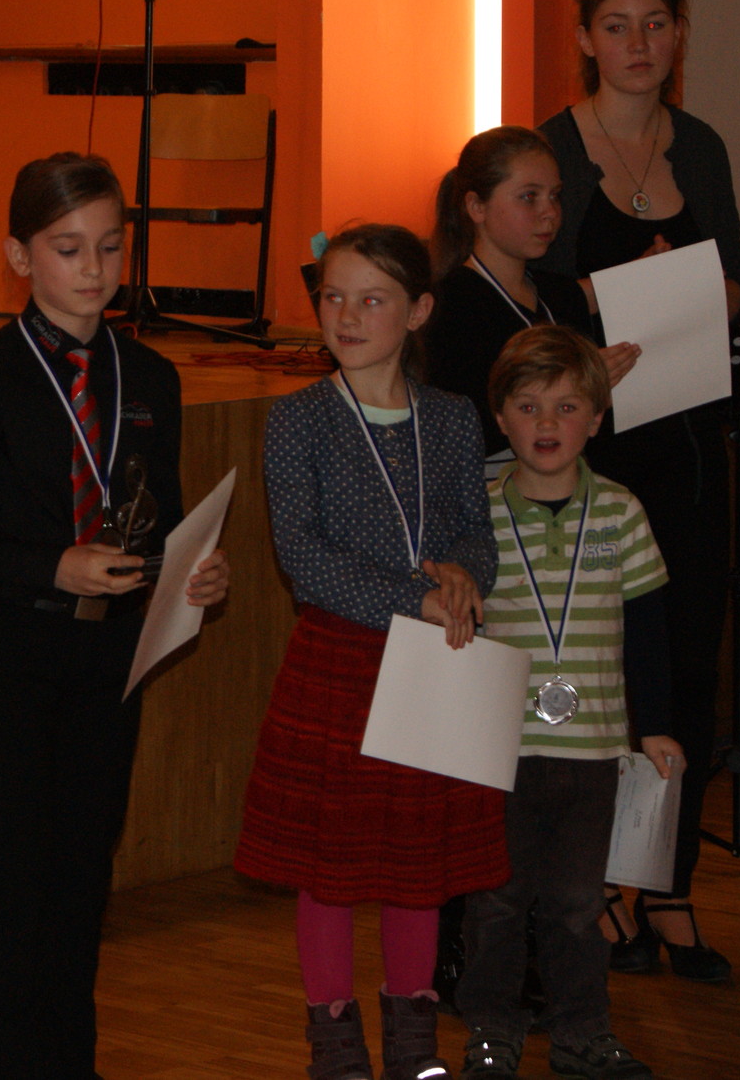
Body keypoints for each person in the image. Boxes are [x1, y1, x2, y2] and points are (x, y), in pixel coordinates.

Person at [0, 153, 229, 1079]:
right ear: (20, 255)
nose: (93, 268)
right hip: (9, 661)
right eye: (67, 248)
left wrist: (193, 571)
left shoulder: (152, 375)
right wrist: (52, 563)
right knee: (12, 885)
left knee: (82, 881)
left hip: (109, 663)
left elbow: (162, 516)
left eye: (109, 246)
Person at [234, 222, 503, 1080]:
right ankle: (336, 1046)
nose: (347, 316)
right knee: (331, 865)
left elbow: (476, 529)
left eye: (372, 299)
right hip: (341, 660)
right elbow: (302, 556)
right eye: (333, 298)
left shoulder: (451, 418)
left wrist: (463, 575)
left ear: (418, 311)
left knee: (417, 859)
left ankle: (415, 1045)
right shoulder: (298, 419)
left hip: (434, 661)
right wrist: (410, 597)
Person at [534, 0, 740, 981]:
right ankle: (598, 891)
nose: (637, 43)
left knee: (689, 668)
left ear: (678, 32)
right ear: (585, 38)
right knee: (604, 674)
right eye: (615, 25)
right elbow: (528, 300)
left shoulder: (698, 146)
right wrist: (610, 302)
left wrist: (694, 294)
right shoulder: (550, 148)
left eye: (655, 23)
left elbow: (738, 280)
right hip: (590, 451)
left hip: (688, 444)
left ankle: (667, 885)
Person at [458, 325, 681, 1080]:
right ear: (501, 418)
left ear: (597, 417)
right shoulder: (478, 516)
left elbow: (647, 627)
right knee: (495, 902)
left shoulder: (620, 510)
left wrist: (655, 726)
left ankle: (582, 1030)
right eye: (528, 407)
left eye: (566, 406)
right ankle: (491, 1028)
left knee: (580, 904)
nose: (547, 423)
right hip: (501, 751)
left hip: (593, 749)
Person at [426, 125, 618, 478]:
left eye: (555, 196)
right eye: (529, 197)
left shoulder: (562, 296)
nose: (549, 212)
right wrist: (580, 385)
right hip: (491, 496)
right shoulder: (449, 305)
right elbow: (461, 429)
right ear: (476, 206)